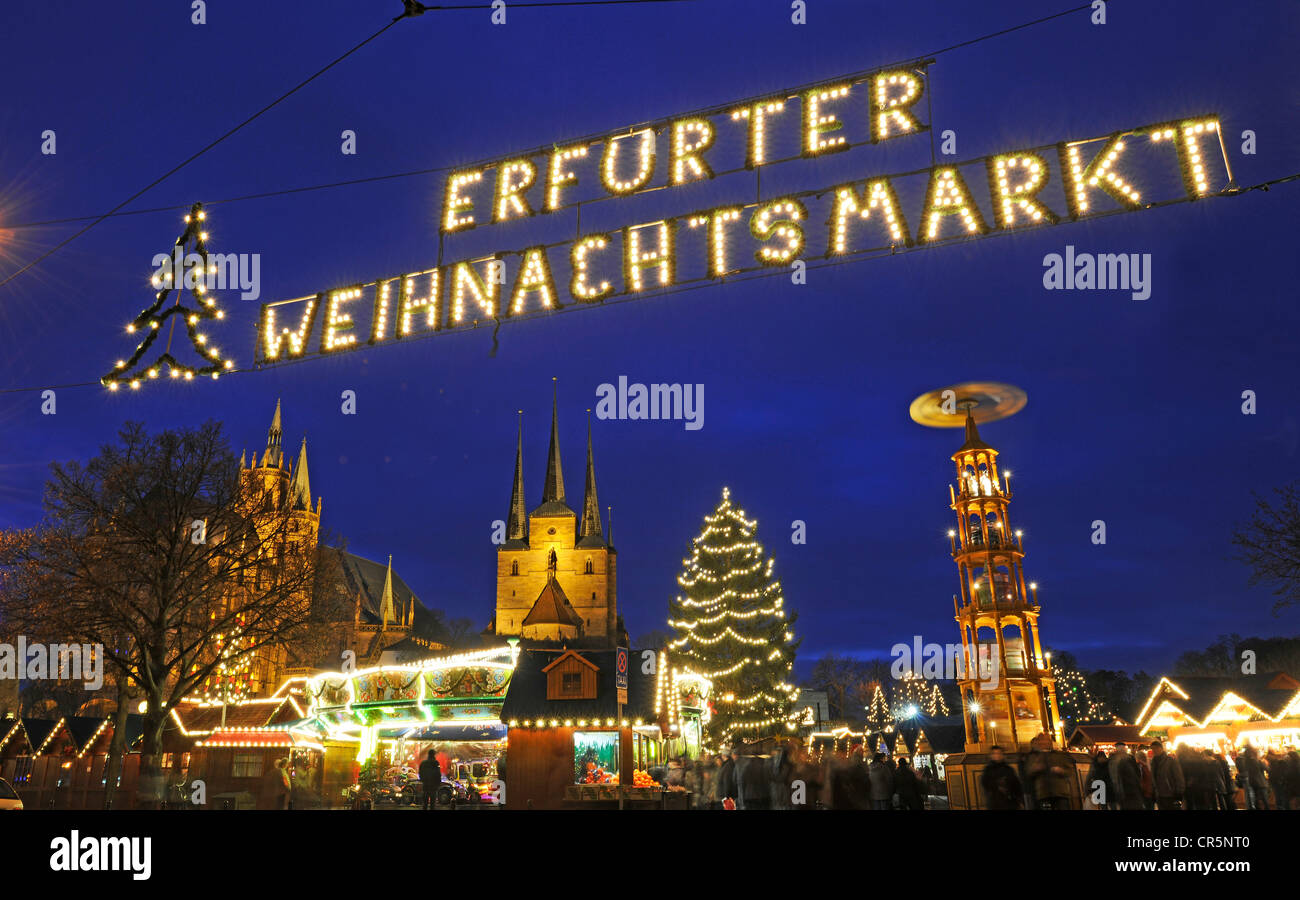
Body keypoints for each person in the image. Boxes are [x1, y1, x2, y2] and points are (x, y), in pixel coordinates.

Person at [1022, 732, 1075, 809]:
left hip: (1060, 793)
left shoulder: (1059, 755)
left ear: (1050, 742)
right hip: (1043, 794)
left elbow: (1070, 770)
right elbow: (1028, 773)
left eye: (1046, 740)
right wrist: (1035, 768)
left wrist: (1061, 771)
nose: (1044, 742)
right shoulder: (1033, 756)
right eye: (1042, 740)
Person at [1149, 740, 1185, 810]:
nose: (1154, 750)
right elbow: (1153, 778)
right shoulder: (1153, 762)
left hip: (1170, 794)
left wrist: (1179, 792)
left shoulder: (1171, 761)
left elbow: (1179, 777)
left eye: (1155, 748)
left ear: (1161, 748)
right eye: (1152, 749)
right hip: (1159, 795)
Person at [1108, 743, 1144, 811]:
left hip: (1130, 792)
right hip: (1124, 793)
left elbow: (1137, 774)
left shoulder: (1129, 759)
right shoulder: (1113, 761)